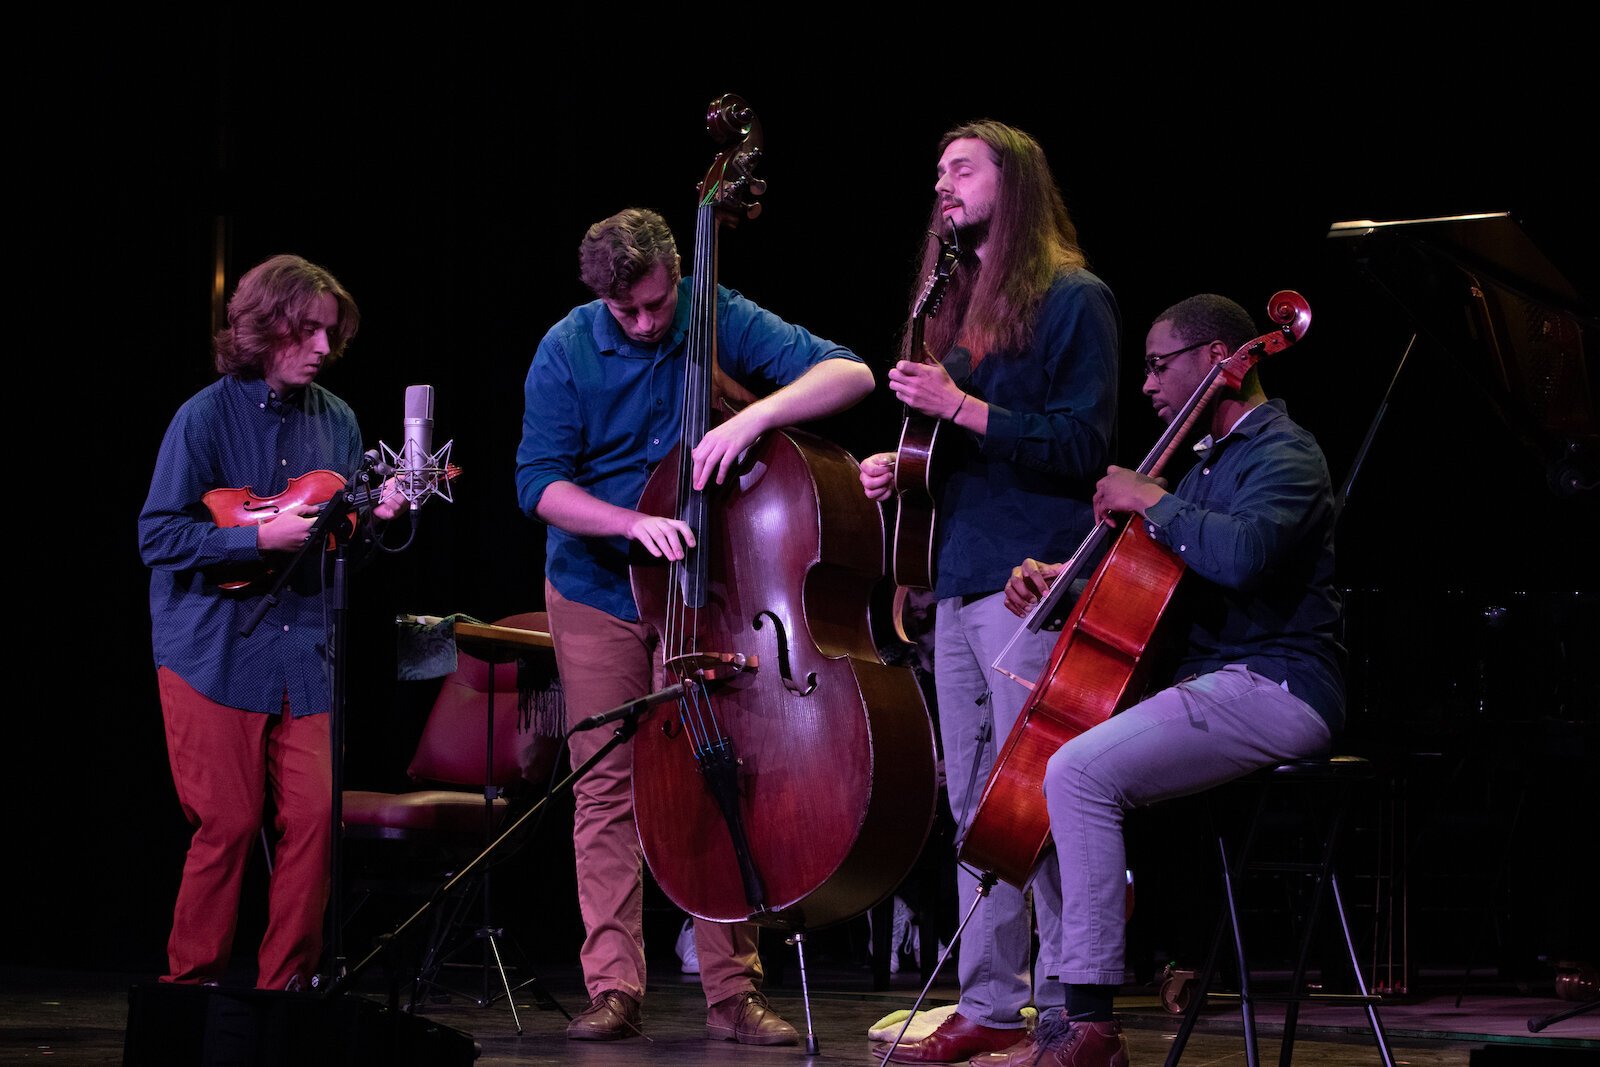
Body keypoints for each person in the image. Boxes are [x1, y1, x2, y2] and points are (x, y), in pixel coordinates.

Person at [516, 207, 875, 1044]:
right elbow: (537, 484)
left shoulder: (717, 311)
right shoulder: (566, 347)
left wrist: (752, 419)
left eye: (654, 305)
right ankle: (613, 988)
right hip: (600, 586)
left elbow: (851, 374)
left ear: (678, 276)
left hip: (705, 586)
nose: (644, 324)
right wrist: (627, 523)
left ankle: (733, 993)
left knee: (723, 775)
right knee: (606, 786)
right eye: (625, 313)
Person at [986, 294, 1345, 1066]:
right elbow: (1168, 590)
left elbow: (1244, 556)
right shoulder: (1205, 465)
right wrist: (1063, 591)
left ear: (1218, 360)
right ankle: (1081, 1023)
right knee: (1078, 765)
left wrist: (1153, 499)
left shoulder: (1285, 451)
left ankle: (1088, 1028)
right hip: (1219, 681)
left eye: (1158, 364)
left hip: (1279, 684)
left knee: (1076, 770)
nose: (1145, 384)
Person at [858, 121, 1120, 1063]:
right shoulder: (956, 306)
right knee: (973, 803)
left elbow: (1084, 445)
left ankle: (1065, 996)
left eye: (960, 168)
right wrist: (905, 463)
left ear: (1013, 183)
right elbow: (956, 445)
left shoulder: (1075, 300)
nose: (943, 184)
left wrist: (959, 409)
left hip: (1031, 583)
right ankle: (988, 998)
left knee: (1040, 797)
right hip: (955, 579)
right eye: (936, 171)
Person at [139, 253, 406, 991]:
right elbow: (157, 537)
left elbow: (345, 553)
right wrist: (254, 538)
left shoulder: (341, 420)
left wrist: (376, 522)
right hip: (214, 651)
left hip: (304, 656)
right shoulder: (203, 417)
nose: (325, 348)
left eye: (330, 335)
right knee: (226, 825)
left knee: (315, 827)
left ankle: (284, 993)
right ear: (266, 328)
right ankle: (188, 993)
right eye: (309, 331)